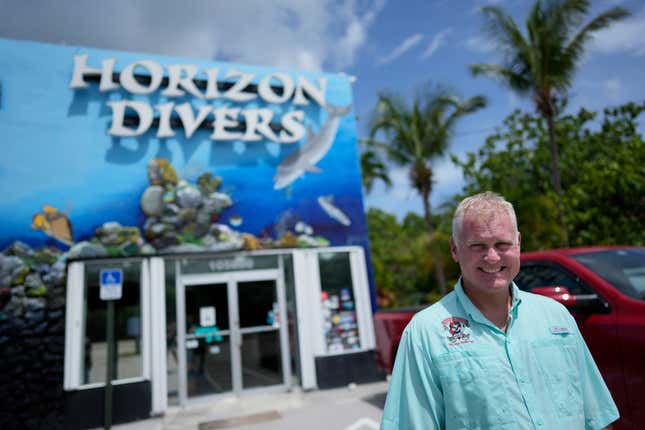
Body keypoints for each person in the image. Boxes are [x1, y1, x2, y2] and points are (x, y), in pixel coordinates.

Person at [381, 191, 618, 430]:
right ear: (454, 249)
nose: (492, 257)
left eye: (502, 244)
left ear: (518, 244)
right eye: (477, 245)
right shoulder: (425, 334)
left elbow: (597, 418)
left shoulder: (557, 317)